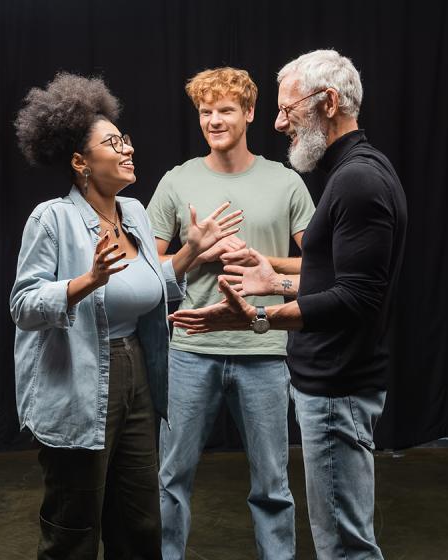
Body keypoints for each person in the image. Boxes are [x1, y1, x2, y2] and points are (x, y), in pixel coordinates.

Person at [169, 50, 408, 560]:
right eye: (205, 111)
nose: (282, 122)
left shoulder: (352, 179)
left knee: (340, 542)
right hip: (241, 362)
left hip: (328, 380)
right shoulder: (353, 174)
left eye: (287, 108)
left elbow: (356, 295)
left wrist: (257, 313)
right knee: (340, 539)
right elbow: (336, 278)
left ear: (328, 102)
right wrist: (260, 271)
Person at [10, 72, 242, 560]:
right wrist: (85, 283)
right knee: (73, 523)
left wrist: (188, 255)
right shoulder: (51, 219)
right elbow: (24, 305)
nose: (127, 149)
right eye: (113, 143)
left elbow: (147, 284)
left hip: (138, 371)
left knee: (139, 521)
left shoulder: (134, 212)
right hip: (79, 380)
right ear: (80, 163)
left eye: (125, 139)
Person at [148, 66, 313, 560]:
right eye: (205, 112)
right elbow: (147, 271)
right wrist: (196, 252)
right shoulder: (177, 181)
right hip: (190, 351)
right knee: (172, 477)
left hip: (263, 348)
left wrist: (263, 262)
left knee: (272, 483)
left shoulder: (285, 183)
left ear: (250, 113)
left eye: (225, 110)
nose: (214, 120)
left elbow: (322, 268)